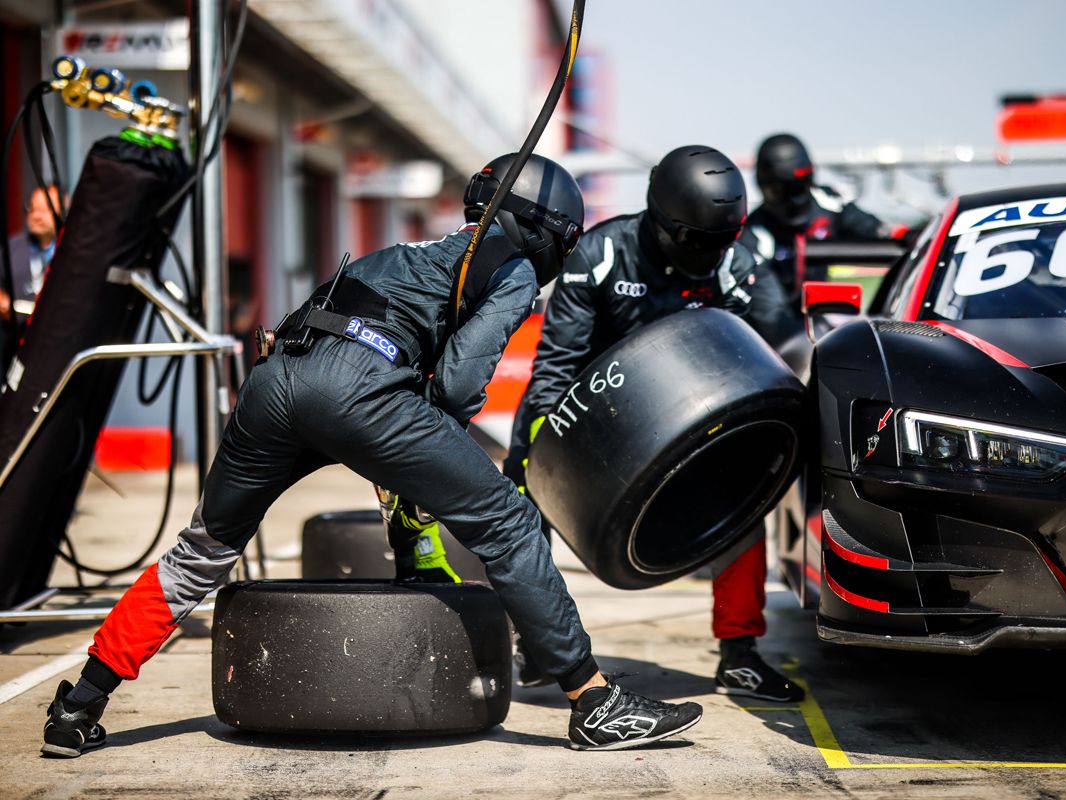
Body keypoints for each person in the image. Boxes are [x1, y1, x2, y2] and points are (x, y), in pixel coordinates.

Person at [40, 153, 703, 758]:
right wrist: (441, 448)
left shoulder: (400, 252)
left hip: (273, 386)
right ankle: (596, 703)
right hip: (360, 391)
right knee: (511, 522)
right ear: (550, 233)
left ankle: (79, 705)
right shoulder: (515, 267)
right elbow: (457, 385)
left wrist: (412, 475)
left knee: (202, 551)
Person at [503, 145, 804, 704]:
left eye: (724, 238)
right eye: (700, 240)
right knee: (521, 489)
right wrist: (537, 452)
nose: (712, 252)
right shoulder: (598, 255)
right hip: (597, 413)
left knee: (744, 491)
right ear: (664, 222)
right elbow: (556, 365)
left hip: (692, 410)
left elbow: (784, 342)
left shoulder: (737, 266)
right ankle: (536, 642)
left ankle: (740, 655)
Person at [743, 133, 895, 294]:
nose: (793, 200)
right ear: (763, 186)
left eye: (798, 188)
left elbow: (878, 233)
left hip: (832, 311)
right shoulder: (755, 234)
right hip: (786, 313)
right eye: (779, 191)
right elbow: (769, 308)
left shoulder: (831, 203)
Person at [2, 186, 67, 366]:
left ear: (61, 210)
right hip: (17, 347)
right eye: (32, 208)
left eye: (44, 210)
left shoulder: (70, 251)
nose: (36, 216)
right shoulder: (10, 249)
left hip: (60, 347)